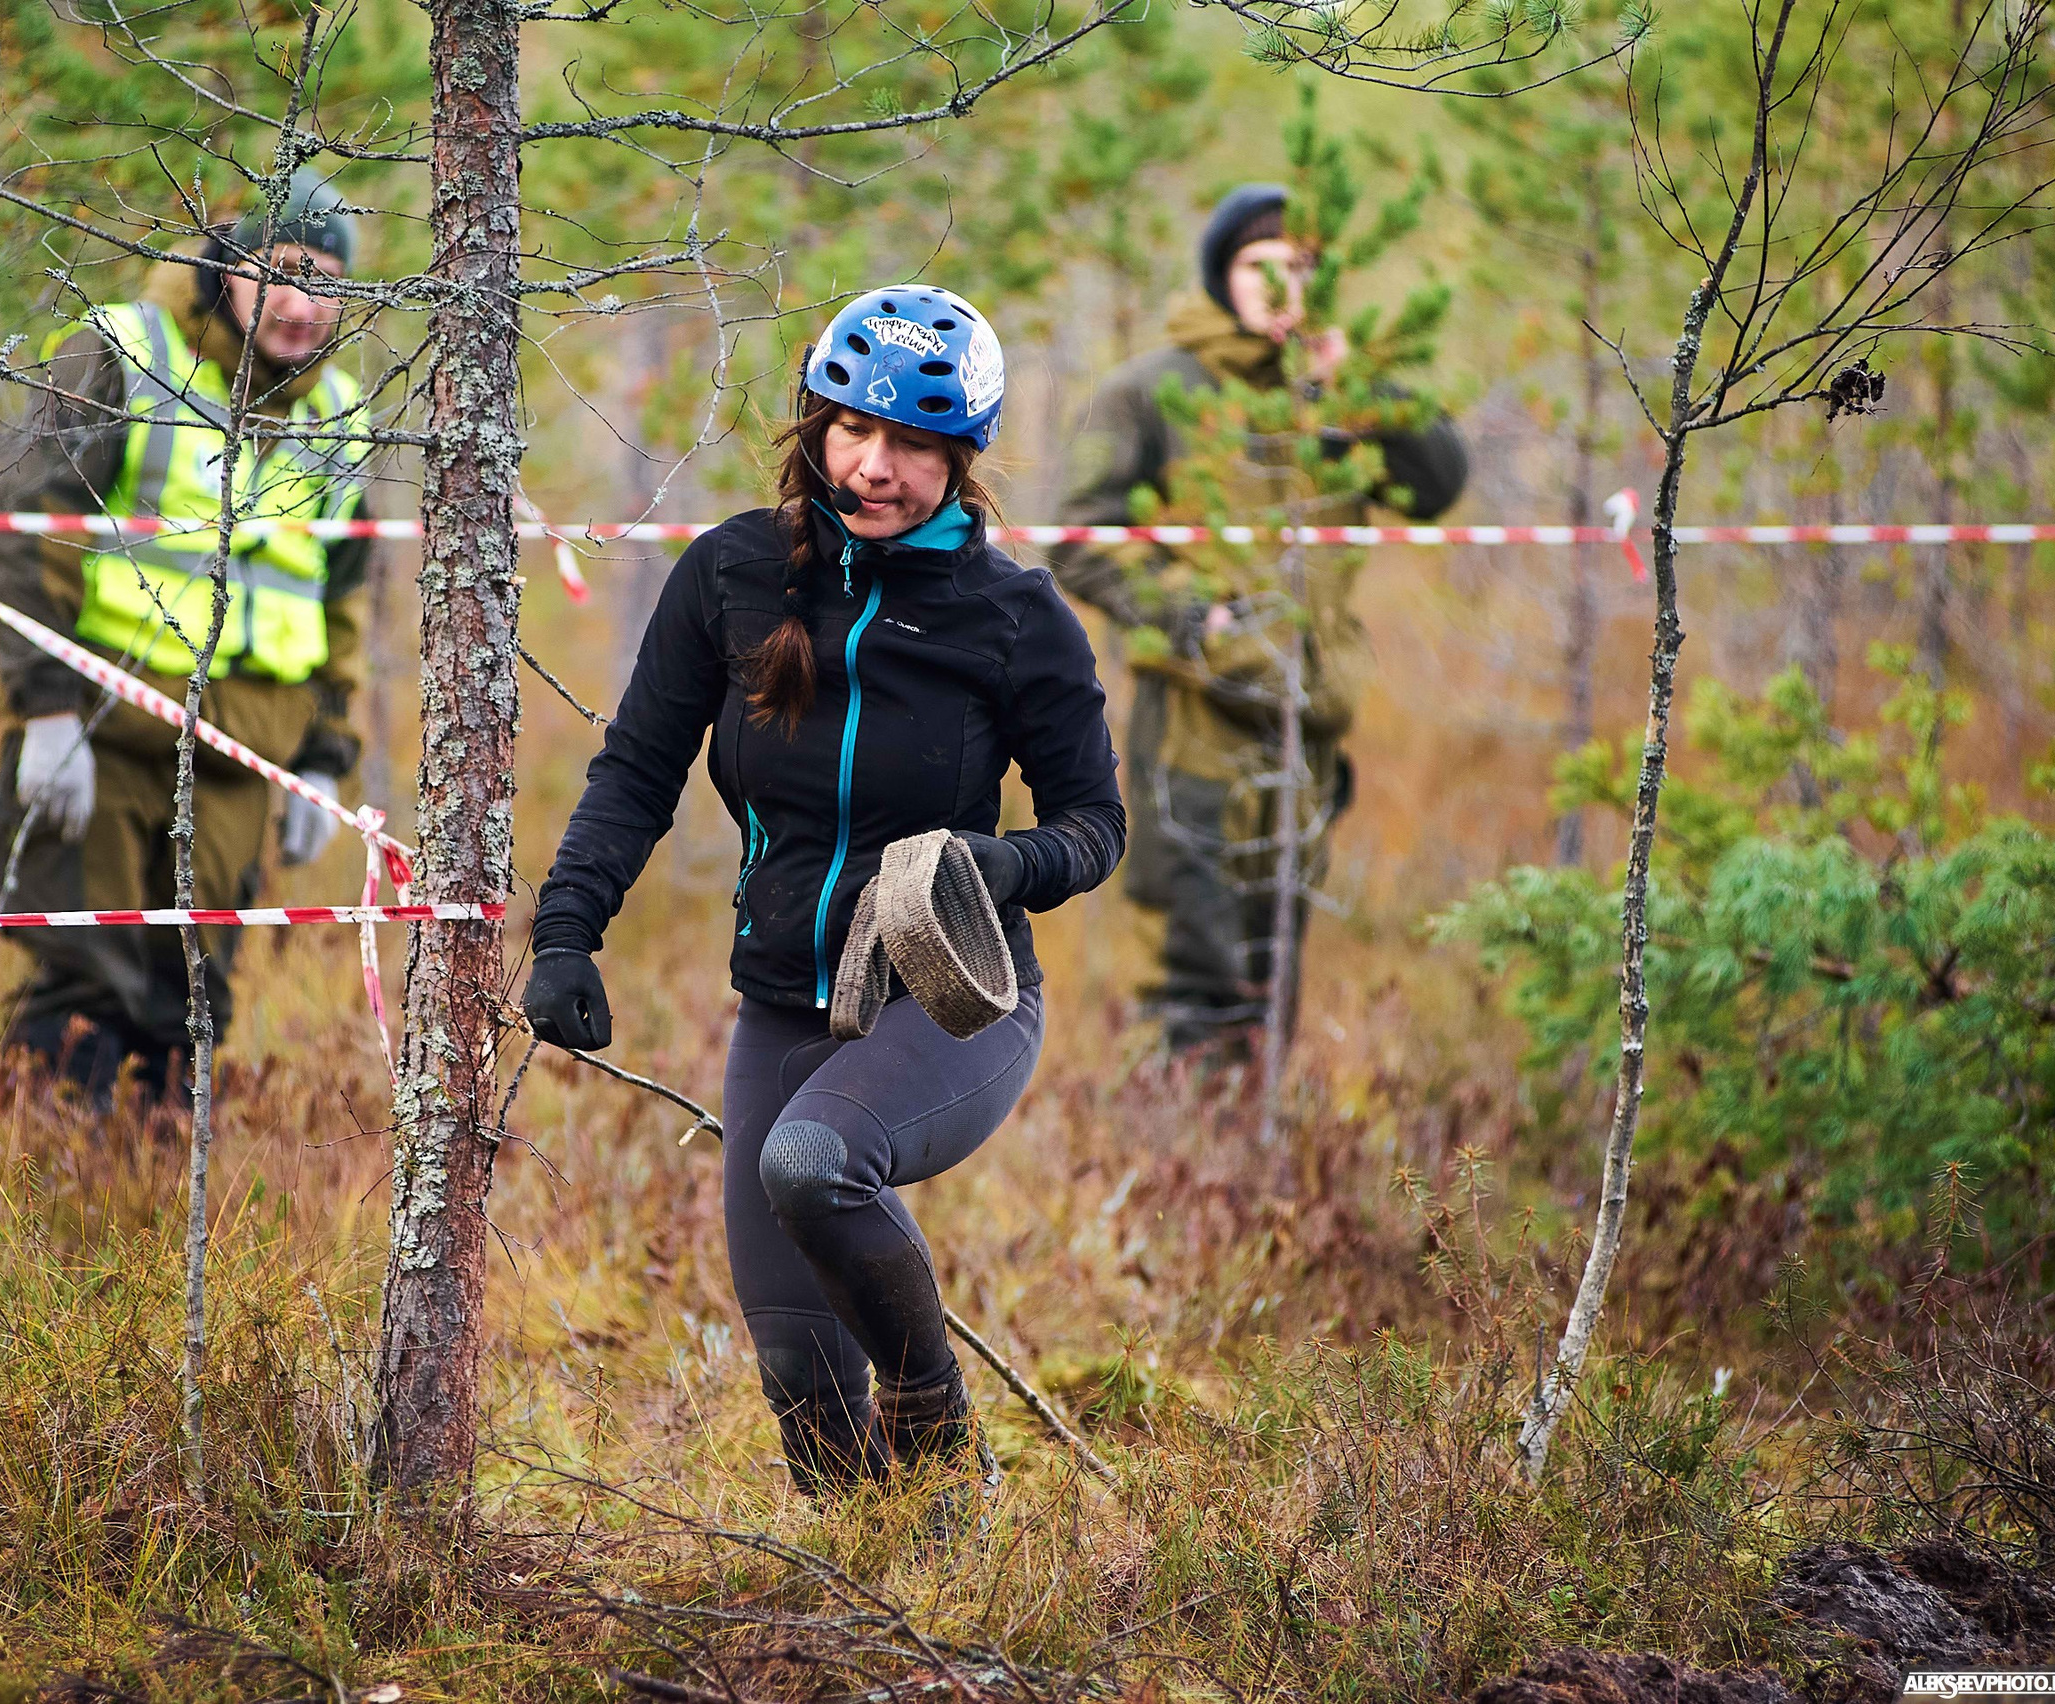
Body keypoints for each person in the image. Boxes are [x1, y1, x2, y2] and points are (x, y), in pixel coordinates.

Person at [522, 286, 1125, 1495]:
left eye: (911, 443)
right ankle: (873, 1577)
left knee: (812, 1166)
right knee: (798, 1371)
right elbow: (637, 770)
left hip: (952, 1001)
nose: (874, 466)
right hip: (783, 1002)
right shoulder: (733, 574)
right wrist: (566, 934)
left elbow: (1094, 826)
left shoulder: (1015, 618)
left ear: (964, 455)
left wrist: (1006, 860)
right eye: (851, 429)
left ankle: (948, 1463)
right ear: (815, 423)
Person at [0, 170, 375, 1108]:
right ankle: (43, 1205)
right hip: (103, 732)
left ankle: (154, 1209)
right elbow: (32, 535)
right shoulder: (123, 355)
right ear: (224, 267)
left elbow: (341, 603)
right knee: (82, 975)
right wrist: (45, 713)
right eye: (280, 272)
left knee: (189, 1003)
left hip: (243, 753)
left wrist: (323, 757)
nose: (302, 303)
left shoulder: (341, 417)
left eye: (326, 282)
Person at [1049, 182, 1468, 1069]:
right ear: (1221, 278)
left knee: (1275, 960)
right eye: (1257, 266)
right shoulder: (1155, 389)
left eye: (1299, 268)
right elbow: (1080, 539)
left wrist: (1357, 387)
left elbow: (1436, 483)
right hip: (1196, 722)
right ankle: (1178, 1166)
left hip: (1309, 718)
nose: (1280, 285)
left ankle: (1259, 1157)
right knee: (1194, 968)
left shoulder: (1330, 390)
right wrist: (1194, 616)